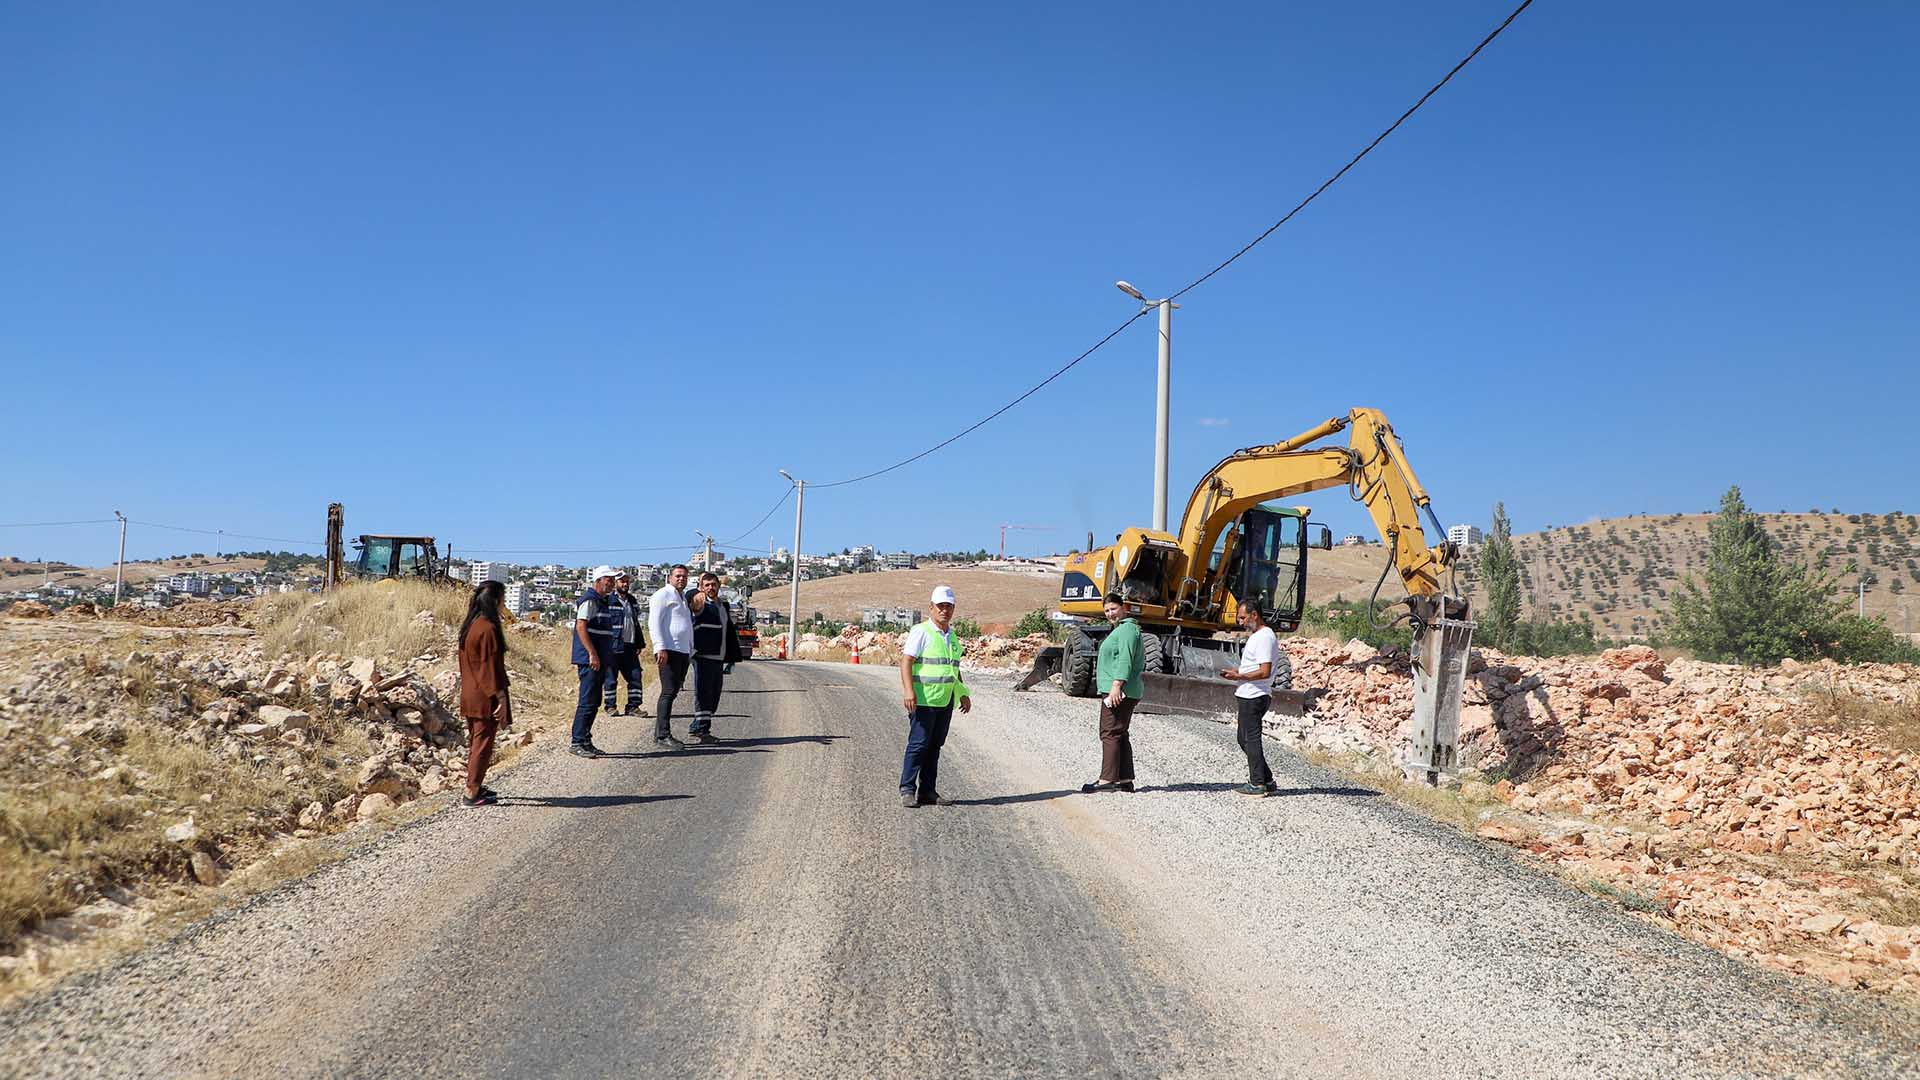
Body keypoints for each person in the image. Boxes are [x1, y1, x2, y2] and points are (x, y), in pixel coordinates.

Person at [898, 585, 972, 808]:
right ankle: (907, 789)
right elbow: (906, 661)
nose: (944, 610)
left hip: (945, 700)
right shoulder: (921, 631)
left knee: (934, 746)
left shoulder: (952, 636)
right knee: (918, 744)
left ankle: (928, 791)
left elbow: (953, 668)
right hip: (923, 699)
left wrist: (963, 694)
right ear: (931, 608)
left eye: (948, 606)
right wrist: (909, 690)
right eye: (940, 606)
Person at [1081, 592, 1144, 794]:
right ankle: (1125, 779)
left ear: (1123, 607)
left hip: (1119, 690)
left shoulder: (1126, 630)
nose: (1110, 613)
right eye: (1107, 610)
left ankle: (1107, 779)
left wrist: (1116, 685)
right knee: (1120, 733)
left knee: (1109, 732)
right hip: (1126, 689)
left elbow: (1125, 659)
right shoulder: (1125, 629)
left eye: (1113, 609)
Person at [457, 580, 512, 806]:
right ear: (496, 600)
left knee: (476, 742)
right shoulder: (488, 628)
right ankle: (472, 791)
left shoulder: (471, 625)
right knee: (482, 745)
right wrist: (500, 697)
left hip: (470, 693)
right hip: (485, 696)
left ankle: (476, 785)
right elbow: (489, 668)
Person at [1218, 602, 1279, 796]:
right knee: (1243, 738)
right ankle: (1266, 779)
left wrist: (1239, 676)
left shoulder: (1263, 638)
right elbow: (1256, 667)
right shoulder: (1258, 637)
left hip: (1255, 695)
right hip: (1248, 692)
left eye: (1243, 617)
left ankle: (1257, 783)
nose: (1240, 622)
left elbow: (1264, 671)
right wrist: (1239, 672)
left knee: (1250, 739)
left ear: (1255, 615)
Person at [687, 571, 744, 744]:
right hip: (702, 655)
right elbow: (687, 596)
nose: (711, 588)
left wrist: (731, 657)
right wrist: (694, 594)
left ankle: (698, 725)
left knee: (714, 694)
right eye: (707, 585)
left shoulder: (722, 606)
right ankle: (703, 731)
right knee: (703, 693)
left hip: (719, 656)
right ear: (701, 588)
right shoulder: (699, 602)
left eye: (714, 584)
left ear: (719, 586)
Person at [570, 566, 620, 758]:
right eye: (609, 579)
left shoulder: (602, 601)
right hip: (590, 660)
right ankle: (577, 741)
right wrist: (592, 653)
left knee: (594, 701)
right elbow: (581, 626)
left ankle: (585, 740)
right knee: (587, 700)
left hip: (599, 659)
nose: (612, 583)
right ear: (599, 580)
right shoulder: (591, 600)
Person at [647, 564, 694, 751]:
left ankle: (660, 733)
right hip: (669, 650)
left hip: (682, 651)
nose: (681, 579)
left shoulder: (682, 597)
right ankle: (663, 735)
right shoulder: (662, 595)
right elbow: (654, 622)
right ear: (670, 577)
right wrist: (660, 647)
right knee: (668, 691)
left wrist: (690, 649)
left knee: (673, 691)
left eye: (684, 576)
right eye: (678, 576)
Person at [601, 572, 646, 716]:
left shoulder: (632, 601)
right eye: (622, 582)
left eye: (627, 582)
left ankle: (633, 707)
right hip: (612, 647)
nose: (625, 584)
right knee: (610, 678)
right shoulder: (608, 600)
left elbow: (636, 624)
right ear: (615, 583)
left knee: (635, 676)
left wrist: (639, 643)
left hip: (630, 647)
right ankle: (610, 707)